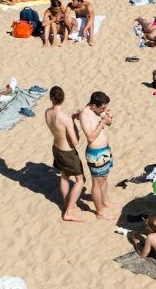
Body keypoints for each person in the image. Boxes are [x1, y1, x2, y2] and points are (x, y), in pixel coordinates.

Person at [44, 86, 85, 222]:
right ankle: (68, 211)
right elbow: (75, 141)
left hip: (56, 148)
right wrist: (73, 121)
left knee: (64, 176)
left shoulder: (47, 112)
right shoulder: (65, 118)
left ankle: (69, 204)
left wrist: (71, 119)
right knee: (80, 180)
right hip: (67, 152)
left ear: (51, 98)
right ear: (63, 98)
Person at [78, 91, 116, 220]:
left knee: (104, 178)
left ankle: (105, 202)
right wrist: (102, 122)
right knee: (97, 182)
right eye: (102, 108)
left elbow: (109, 123)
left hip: (105, 149)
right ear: (93, 105)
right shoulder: (85, 115)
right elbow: (90, 137)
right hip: (95, 153)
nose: (103, 110)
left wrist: (109, 117)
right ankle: (99, 211)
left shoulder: (98, 111)